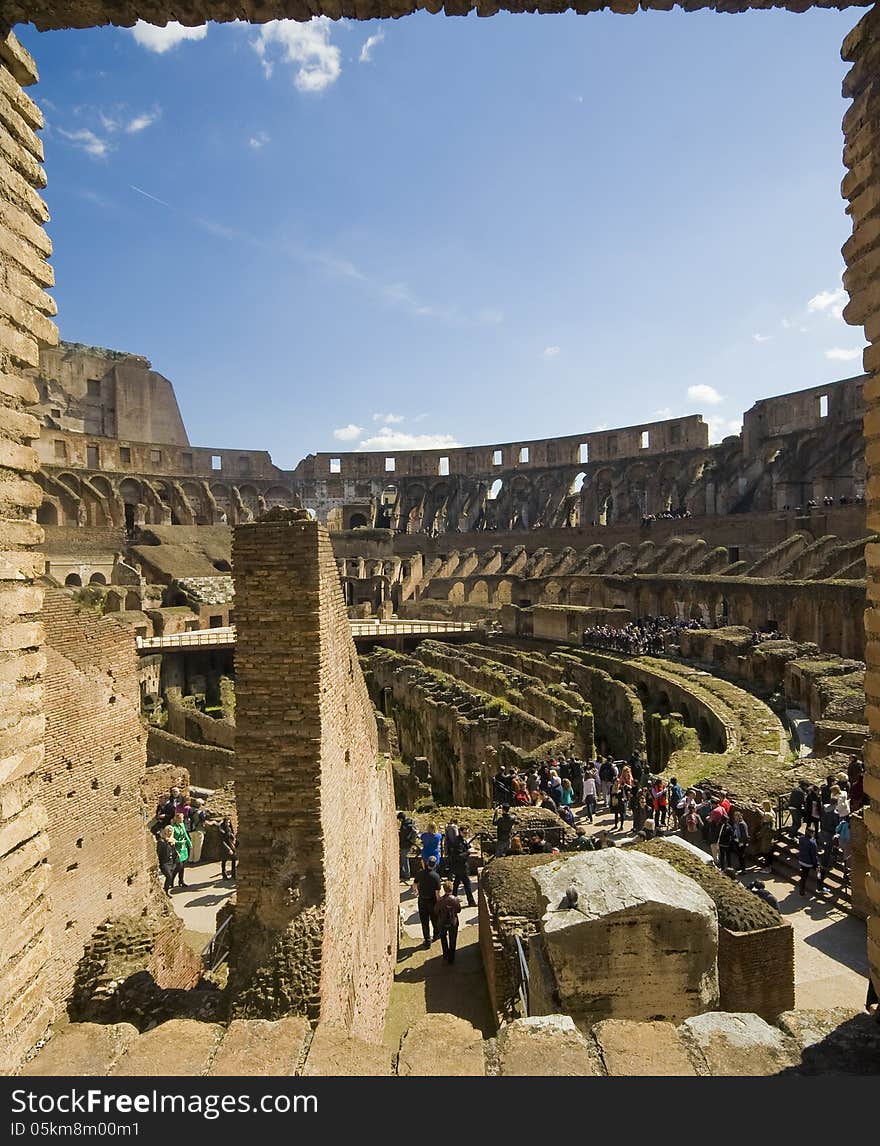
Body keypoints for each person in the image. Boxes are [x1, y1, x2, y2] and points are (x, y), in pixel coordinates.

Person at [414, 856, 442, 946]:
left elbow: (414, 884)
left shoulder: (420, 873)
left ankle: (427, 940)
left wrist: (416, 892)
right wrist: (439, 903)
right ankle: (436, 935)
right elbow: (437, 893)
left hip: (422, 900)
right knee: (435, 919)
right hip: (432, 901)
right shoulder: (436, 877)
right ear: (434, 865)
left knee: (424, 921)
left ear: (427, 863)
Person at [435, 880, 462, 964]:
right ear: (452, 889)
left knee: (443, 938)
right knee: (452, 939)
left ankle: (445, 954)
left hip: (442, 922)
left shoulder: (440, 900)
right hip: (453, 922)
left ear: (444, 889)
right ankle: (452, 958)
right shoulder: (455, 899)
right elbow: (458, 910)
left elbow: (436, 911)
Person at [450, 824, 476, 907]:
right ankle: (471, 901)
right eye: (464, 833)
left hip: (459, 866)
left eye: (467, 833)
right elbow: (459, 856)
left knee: (457, 883)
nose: (466, 835)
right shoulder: (458, 842)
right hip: (461, 866)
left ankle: (452, 899)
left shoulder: (460, 840)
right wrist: (469, 852)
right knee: (467, 884)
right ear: (460, 832)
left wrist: (469, 846)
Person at [156, 825, 180, 895]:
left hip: (171, 861)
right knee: (169, 876)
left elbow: (173, 849)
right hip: (164, 863)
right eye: (168, 831)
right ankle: (166, 891)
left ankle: (168, 887)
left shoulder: (172, 840)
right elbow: (158, 852)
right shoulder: (161, 841)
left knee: (178, 868)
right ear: (165, 832)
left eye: (171, 831)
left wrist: (176, 853)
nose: (169, 833)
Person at [171, 812, 191, 888]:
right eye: (182, 818)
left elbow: (185, 834)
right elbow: (172, 839)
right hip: (177, 849)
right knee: (178, 866)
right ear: (177, 819)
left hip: (184, 848)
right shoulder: (173, 828)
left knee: (183, 866)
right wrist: (180, 842)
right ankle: (171, 880)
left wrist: (189, 843)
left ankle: (181, 881)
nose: (183, 819)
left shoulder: (182, 825)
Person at [798, 826, 819, 897]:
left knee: (804, 875)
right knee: (806, 875)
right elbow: (813, 855)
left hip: (801, 859)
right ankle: (819, 886)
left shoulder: (801, 838)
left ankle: (802, 888)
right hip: (808, 862)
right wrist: (816, 864)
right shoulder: (812, 843)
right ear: (812, 834)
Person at [397, 811, 419, 882]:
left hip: (405, 844)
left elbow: (403, 835)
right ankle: (406, 874)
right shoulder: (410, 822)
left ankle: (406, 875)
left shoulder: (405, 824)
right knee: (404, 859)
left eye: (399, 819)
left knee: (404, 859)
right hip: (409, 844)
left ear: (401, 818)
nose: (399, 821)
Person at [186, 798, 207, 865]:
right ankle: (196, 860)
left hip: (191, 829)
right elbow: (203, 822)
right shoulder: (200, 812)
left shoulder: (190, 810)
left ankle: (190, 859)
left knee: (192, 845)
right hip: (199, 830)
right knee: (198, 846)